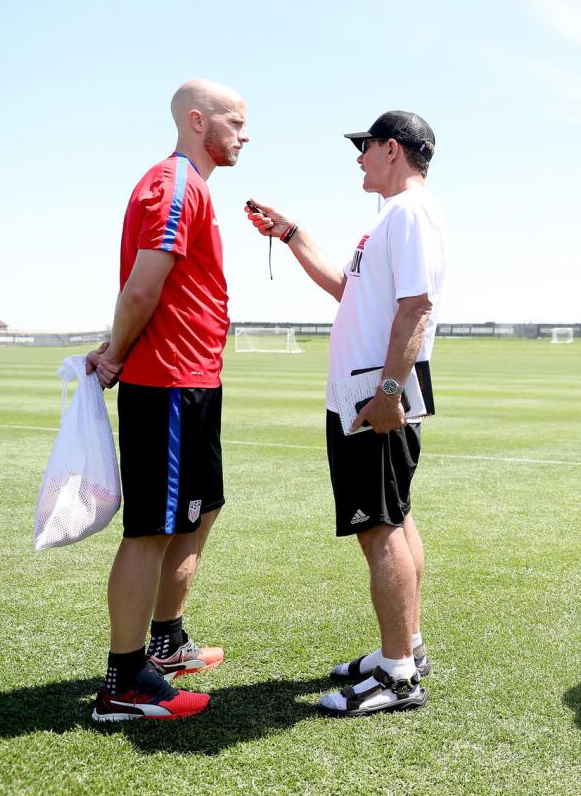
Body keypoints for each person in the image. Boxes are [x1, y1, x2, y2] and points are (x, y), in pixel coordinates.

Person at [246, 111, 447, 715]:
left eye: (364, 147)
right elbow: (345, 288)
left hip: (373, 398)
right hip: (366, 393)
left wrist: (388, 390)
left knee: (378, 527)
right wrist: (291, 233)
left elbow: (417, 307)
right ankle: (404, 648)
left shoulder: (410, 214)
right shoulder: (391, 220)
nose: (358, 158)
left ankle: (399, 676)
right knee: (395, 517)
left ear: (393, 149)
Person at [85, 79, 248, 722]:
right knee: (151, 529)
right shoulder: (174, 183)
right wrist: (118, 353)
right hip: (170, 383)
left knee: (199, 512)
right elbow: (142, 287)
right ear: (197, 120)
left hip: (195, 379)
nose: (245, 134)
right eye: (235, 122)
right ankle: (124, 681)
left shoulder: (194, 186)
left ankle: (166, 642)